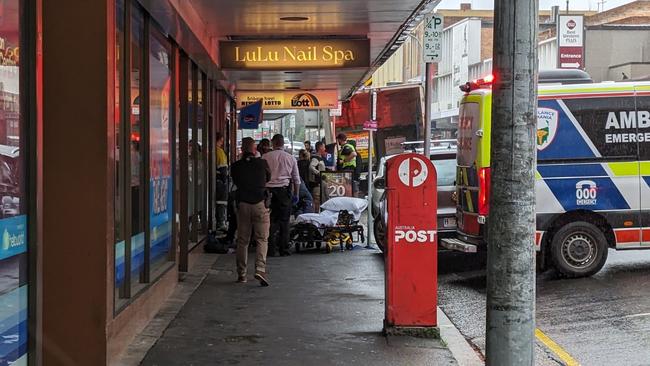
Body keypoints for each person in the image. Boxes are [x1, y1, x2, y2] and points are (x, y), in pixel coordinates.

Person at [230, 137, 271, 286]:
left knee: (242, 240)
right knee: (262, 239)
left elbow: (235, 181)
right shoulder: (262, 163)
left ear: (242, 150)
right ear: (255, 149)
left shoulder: (235, 166)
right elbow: (268, 177)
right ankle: (260, 269)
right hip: (260, 203)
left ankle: (242, 274)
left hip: (243, 204)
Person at [262, 134, 300, 257]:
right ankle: (284, 249)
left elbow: (262, 176)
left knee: (270, 220)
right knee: (284, 221)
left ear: (273, 143)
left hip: (268, 192)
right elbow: (296, 179)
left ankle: (270, 249)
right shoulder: (291, 158)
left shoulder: (265, 157)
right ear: (283, 143)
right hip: (284, 192)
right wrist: (296, 194)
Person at [215, 132, 228, 230]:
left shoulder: (205, 150)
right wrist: (225, 181)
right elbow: (223, 169)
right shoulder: (219, 152)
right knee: (221, 202)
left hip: (209, 181)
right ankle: (220, 223)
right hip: (219, 181)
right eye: (222, 140)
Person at [309, 141, 326, 211]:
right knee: (317, 200)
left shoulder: (319, 158)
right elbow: (311, 167)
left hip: (319, 183)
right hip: (317, 183)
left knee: (318, 200)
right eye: (324, 147)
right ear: (320, 148)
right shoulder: (315, 158)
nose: (325, 149)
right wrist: (319, 173)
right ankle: (316, 214)